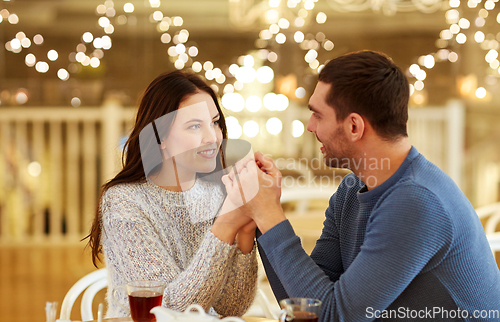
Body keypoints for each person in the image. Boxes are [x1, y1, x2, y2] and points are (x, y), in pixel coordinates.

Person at [222, 51, 500, 321]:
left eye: (317, 115)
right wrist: (261, 210)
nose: (309, 126)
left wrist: (269, 215)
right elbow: (306, 304)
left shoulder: (415, 201)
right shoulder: (351, 190)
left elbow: (333, 316)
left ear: (354, 126)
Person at [85, 71, 257, 318]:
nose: (213, 138)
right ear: (161, 137)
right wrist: (227, 224)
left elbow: (230, 308)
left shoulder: (217, 195)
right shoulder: (124, 202)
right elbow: (166, 312)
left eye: (215, 122)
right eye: (195, 126)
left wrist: (246, 230)